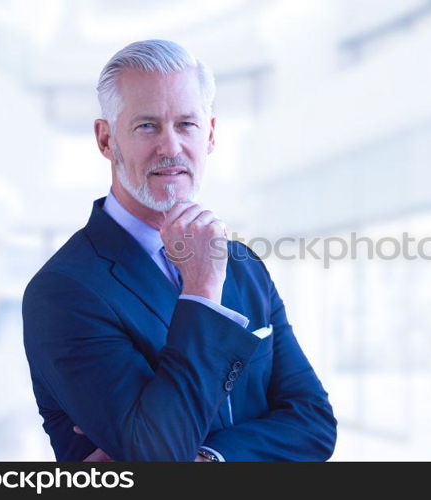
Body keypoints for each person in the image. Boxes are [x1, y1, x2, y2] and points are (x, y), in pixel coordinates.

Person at [22, 40, 337, 462]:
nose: (170, 148)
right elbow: (158, 457)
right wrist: (203, 289)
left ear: (209, 135)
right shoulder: (64, 291)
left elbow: (314, 425)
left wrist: (205, 458)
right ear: (105, 139)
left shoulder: (245, 267)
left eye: (186, 124)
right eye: (147, 126)